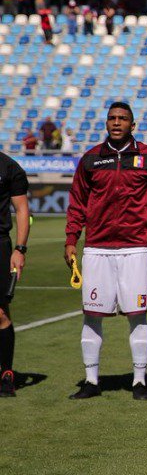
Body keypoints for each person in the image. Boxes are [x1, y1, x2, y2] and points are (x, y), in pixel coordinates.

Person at [65, 102, 147, 400]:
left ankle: (138, 380)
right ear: (106, 123)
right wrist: (72, 238)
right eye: (112, 118)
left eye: (123, 119)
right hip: (97, 248)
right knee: (92, 315)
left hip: (135, 248)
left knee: (137, 314)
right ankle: (92, 380)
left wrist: (141, 207)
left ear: (132, 125)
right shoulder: (91, 158)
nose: (117, 122)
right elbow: (78, 202)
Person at [0, 151, 30, 396]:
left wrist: (20, 249)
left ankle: (6, 374)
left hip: (0, 245)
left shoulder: (10, 168)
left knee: (0, 312)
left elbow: (21, 209)